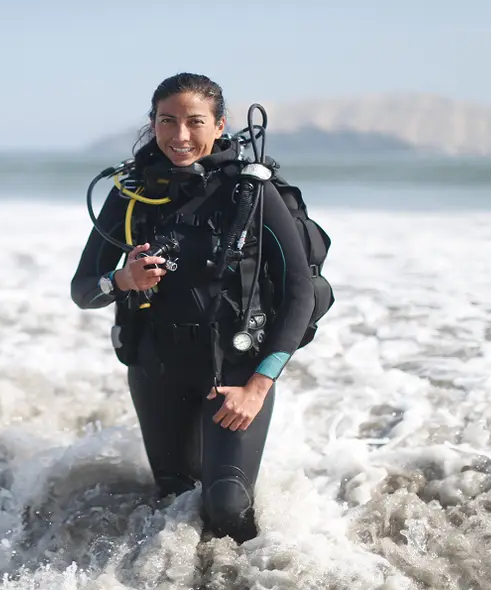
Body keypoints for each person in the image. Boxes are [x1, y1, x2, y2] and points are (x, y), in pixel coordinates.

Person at [70, 72, 317, 544]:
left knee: (225, 505)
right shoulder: (131, 193)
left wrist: (259, 385)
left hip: (235, 374)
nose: (180, 136)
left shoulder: (251, 192)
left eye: (195, 122)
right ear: (152, 123)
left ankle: (260, 575)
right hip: (157, 369)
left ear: (220, 126)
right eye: (167, 121)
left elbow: (300, 293)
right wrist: (122, 279)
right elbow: (84, 289)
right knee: (174, 504)